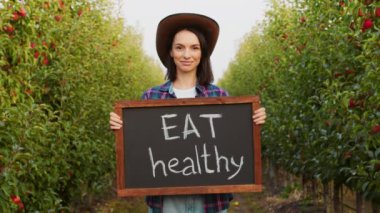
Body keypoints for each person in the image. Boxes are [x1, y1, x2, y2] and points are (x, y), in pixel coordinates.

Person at [109, 13, 266, 213]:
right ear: (171, 53)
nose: (186, 55)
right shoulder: (152, 96)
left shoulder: (218, 95)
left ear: (202, 54)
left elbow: (233, 140)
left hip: (211, 203)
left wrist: (252, 121)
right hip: (166, 203)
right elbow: (139, 144)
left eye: (194, 48)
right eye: (179, 47)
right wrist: (121, 126)